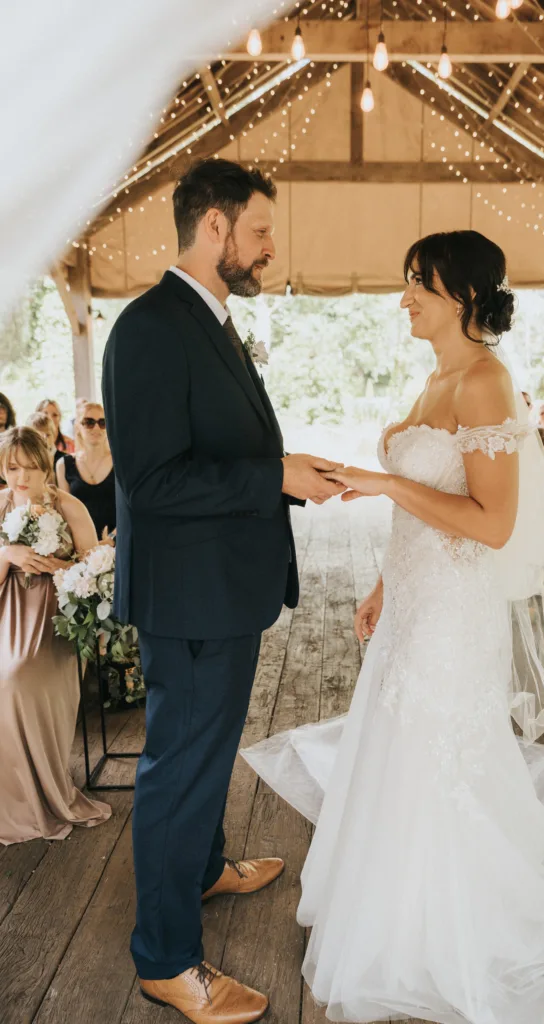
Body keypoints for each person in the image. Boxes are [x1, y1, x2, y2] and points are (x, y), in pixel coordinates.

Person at [243, 230, 544, 1024]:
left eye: (417, 287)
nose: (403, 299)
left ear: (464, 297)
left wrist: (380, 483)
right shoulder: (436, 377)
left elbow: (492, 524)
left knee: (438, 751)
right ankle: (392, 909)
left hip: (454, 618)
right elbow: (424, 517)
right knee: (396, 748)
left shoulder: (484, 380)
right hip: (412, 605)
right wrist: (381, 584)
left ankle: (446, 930)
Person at [102, 158, 344, 1024]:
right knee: (177, 771)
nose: (270, 246)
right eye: (260, 229)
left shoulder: (207, 319)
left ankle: (201, 871)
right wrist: (271, 475)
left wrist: (285, 473)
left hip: (219, 592)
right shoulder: (149, 327)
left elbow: (214, 449)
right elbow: (153, 481)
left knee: (202, 758)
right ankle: (166, 961)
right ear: (214, 226)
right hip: (189, 599)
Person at [0, 427, 111, 845]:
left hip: (57, 619)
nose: (21, 478)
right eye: (13, 469)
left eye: (30, 467)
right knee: (5, 678)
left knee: (15, 679)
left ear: (46, 465)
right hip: (7, 613)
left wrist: (56, 566)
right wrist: (8, 555)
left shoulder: (67, 504)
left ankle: (45, 792)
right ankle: (13, 799)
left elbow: (94, 569)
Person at [56, 401, 116, 541]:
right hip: (80, 544)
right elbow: (65, 513)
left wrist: (111, 538)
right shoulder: (64, 465)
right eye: (89, 422)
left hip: (117, 541)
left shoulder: (119, 462)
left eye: (102, 422)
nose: (96, 427)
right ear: (78, 426)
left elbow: (128, 508)